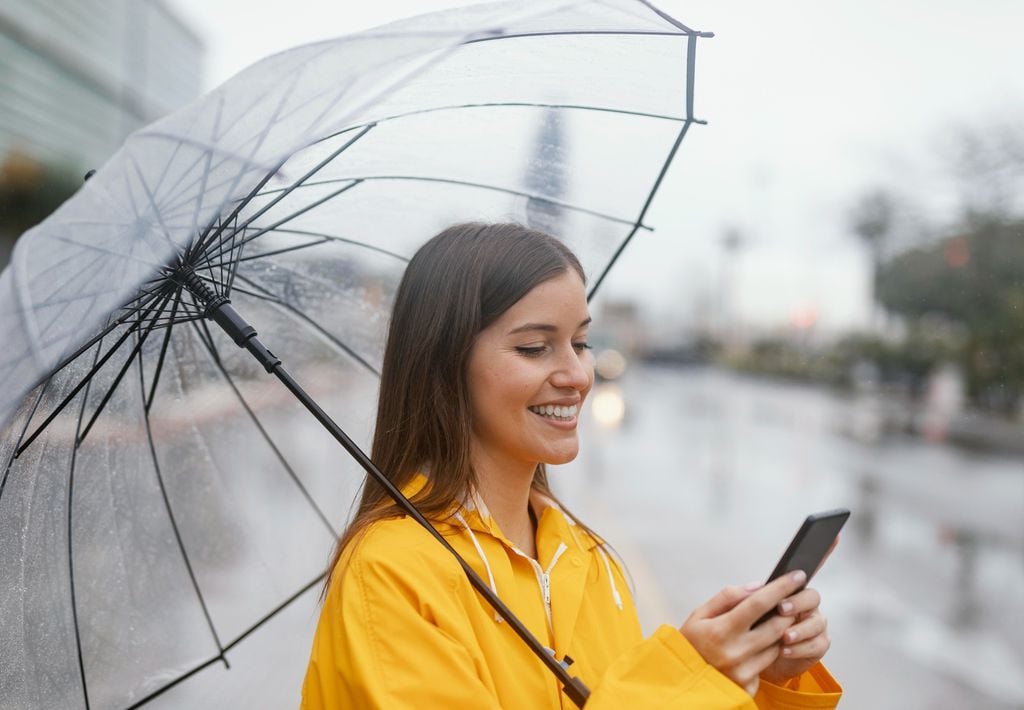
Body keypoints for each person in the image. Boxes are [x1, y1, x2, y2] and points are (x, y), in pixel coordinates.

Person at [301, 223, 842, 708]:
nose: (578, 374)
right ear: (446, 364)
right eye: (535, 348)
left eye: (580, 343)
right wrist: (687, 682)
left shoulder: (586, 557)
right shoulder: (391, 576)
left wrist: (759, 681)